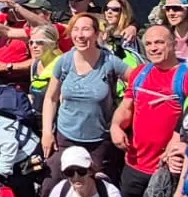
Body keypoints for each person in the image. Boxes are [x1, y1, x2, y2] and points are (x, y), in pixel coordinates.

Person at [110, 22, 188, 197]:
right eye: (148, 44)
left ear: (174, 45)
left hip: (171, 168)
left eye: (159, 43)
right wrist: (116, 126)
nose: (153, 48)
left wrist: (179, 148)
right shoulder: (140, 74)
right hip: (135, 162)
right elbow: (127, 107)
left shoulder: (187, 78)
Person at [41, 13, 130, 177]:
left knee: (95, 188)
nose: (80, 35)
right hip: (66, 138)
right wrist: (47, 133)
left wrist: (124, 110)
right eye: (75, 29)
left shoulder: (109, 62)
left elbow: (140, 81)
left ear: (97, 34)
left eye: (86, 29)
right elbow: (51, 98)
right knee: (53, 185)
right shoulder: (64, 62)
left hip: (98, 141)